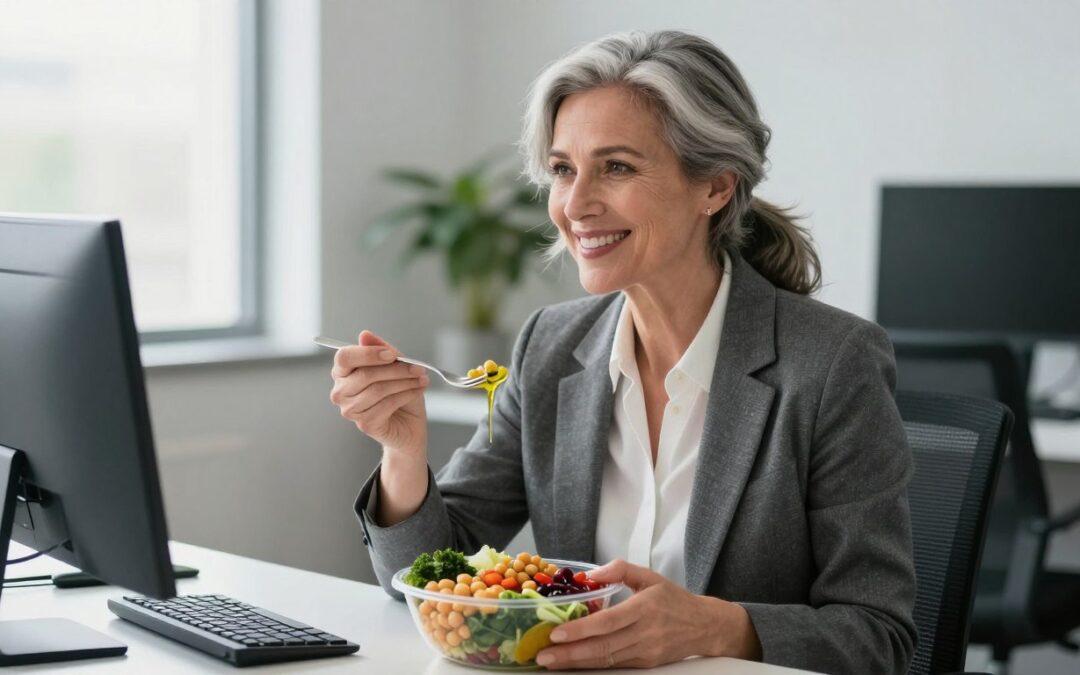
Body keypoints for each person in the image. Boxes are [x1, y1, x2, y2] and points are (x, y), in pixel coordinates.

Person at [330, 30, 916, 674]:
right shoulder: (551, 347)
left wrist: (713, 626)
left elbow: (878, 637)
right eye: (562, 169)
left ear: (715, 187)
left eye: (617, 167)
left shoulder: (833, 362)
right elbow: (421, 580)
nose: (575, 205)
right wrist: (404, 451)